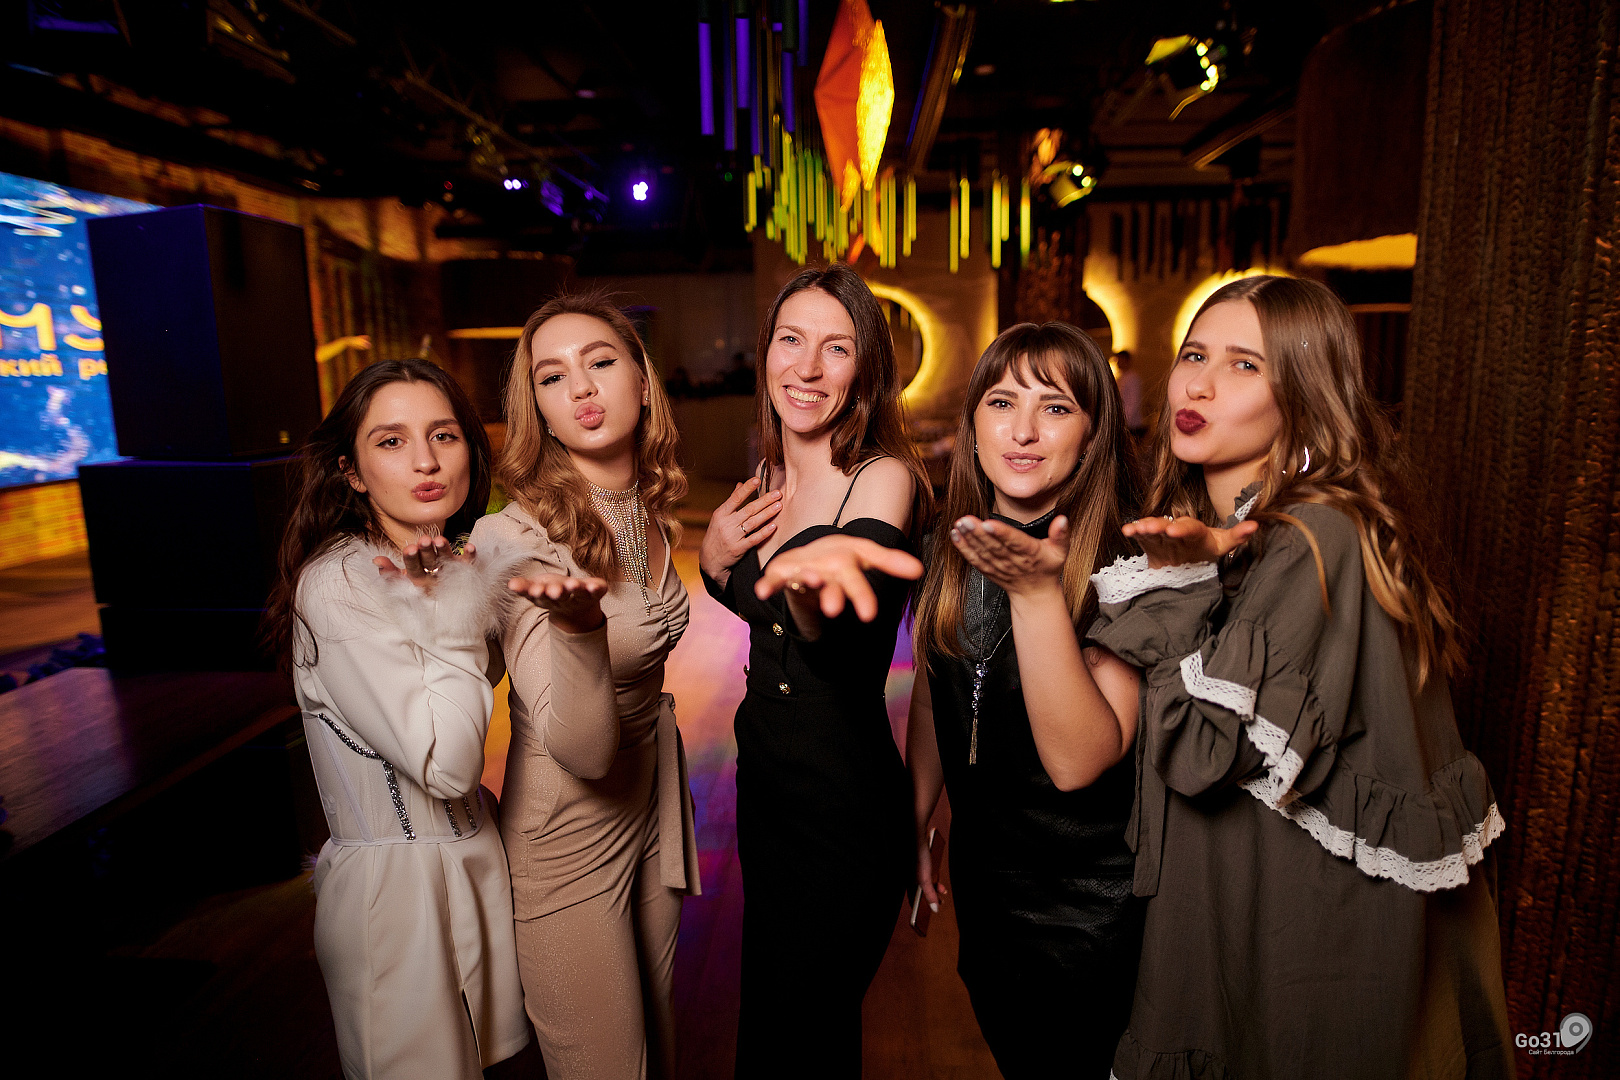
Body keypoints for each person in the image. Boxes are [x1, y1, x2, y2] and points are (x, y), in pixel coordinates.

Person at [1089, 275, 1514, 1078]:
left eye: (1245, 365)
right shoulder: (1233, 530)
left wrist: (1175, 588)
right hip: (1234, 905)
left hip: (1302, 929)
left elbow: (1200, 753)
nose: (1199, 385)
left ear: (1304, 395)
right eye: (1194, 355)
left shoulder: (1316, 536)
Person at [263, 358, 529, 1080]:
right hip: (397, 897)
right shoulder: (341, 584)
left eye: (444, 435)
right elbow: (446, 767)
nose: (424, 461)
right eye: (390, 441)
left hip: (477, 862)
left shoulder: (439, 561)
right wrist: (455, 616)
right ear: (350, 472)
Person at [699, 264, 933, 1078]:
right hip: (766, 793)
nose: (806, 367)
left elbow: (824, 620)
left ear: (866, 369)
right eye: (790, 340)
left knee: (809, 1033)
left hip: (844, 808)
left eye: (836, 348)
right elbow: (763, 612)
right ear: (766, 352)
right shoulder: (766, 479)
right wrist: (714, 563)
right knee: (773, 1033)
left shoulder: (882, 478)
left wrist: (805, 588)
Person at [470, 293, 700, 1080]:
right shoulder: (514, 538)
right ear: (535, 407)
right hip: (564, 837)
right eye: (551, 376)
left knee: (658, 1055)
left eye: (600, 361)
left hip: (650, 811)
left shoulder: (649, 511)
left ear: (641, 379)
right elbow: (582, 750)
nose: (581, 388)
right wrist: (578, 632)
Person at [907, 322, 1144, 1080]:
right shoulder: (947, 549)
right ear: (972, 424)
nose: (1024, 430)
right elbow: (934, 694)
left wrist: (1038, 595)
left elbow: (1080, 763)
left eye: (1056, 407)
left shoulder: (1126, 566)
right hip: (988, 892)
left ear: (1093, 435)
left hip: (1092, 906)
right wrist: (915, 818)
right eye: (1003, 402)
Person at [1112, 348, 1146, 437]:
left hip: (1131, 425)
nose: (1118, 363)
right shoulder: (1120, 378)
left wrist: (1125, 422)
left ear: (1126, 360)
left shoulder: (1133, 378)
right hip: (1123, 422)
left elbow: (1133, 402)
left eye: (1120, 360)